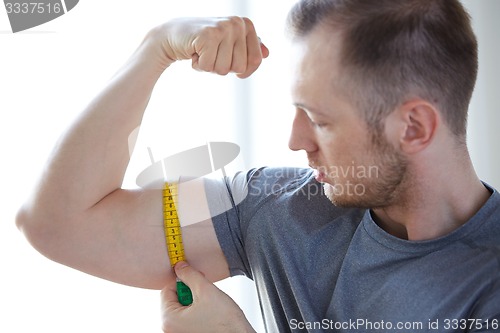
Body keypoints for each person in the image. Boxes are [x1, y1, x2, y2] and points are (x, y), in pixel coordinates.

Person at [16, 0, 500, 332]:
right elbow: (58, 224)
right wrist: (157, 48)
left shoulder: (487, 288)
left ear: (413, 127)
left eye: (320, 121)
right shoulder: (280, 207)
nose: (294, 141)